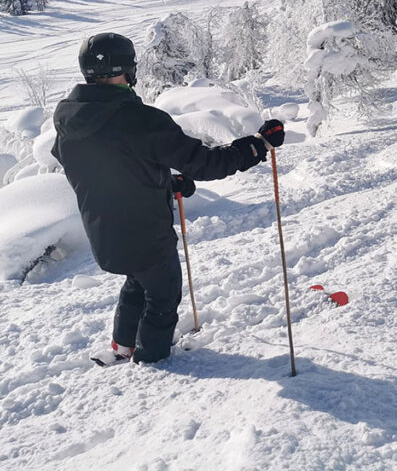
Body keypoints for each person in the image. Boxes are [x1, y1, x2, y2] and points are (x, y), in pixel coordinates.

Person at [51, 33, 286, 365]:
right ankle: (152, 360)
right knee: (163, 295)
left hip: (104, 236)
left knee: (137, 280)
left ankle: (122, 346)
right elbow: (206, 163)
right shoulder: (140, 119)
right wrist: (257, 145)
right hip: (146, 233)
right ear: (128, 70)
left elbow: (100, 169)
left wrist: (161, 180)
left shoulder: (68, 120)